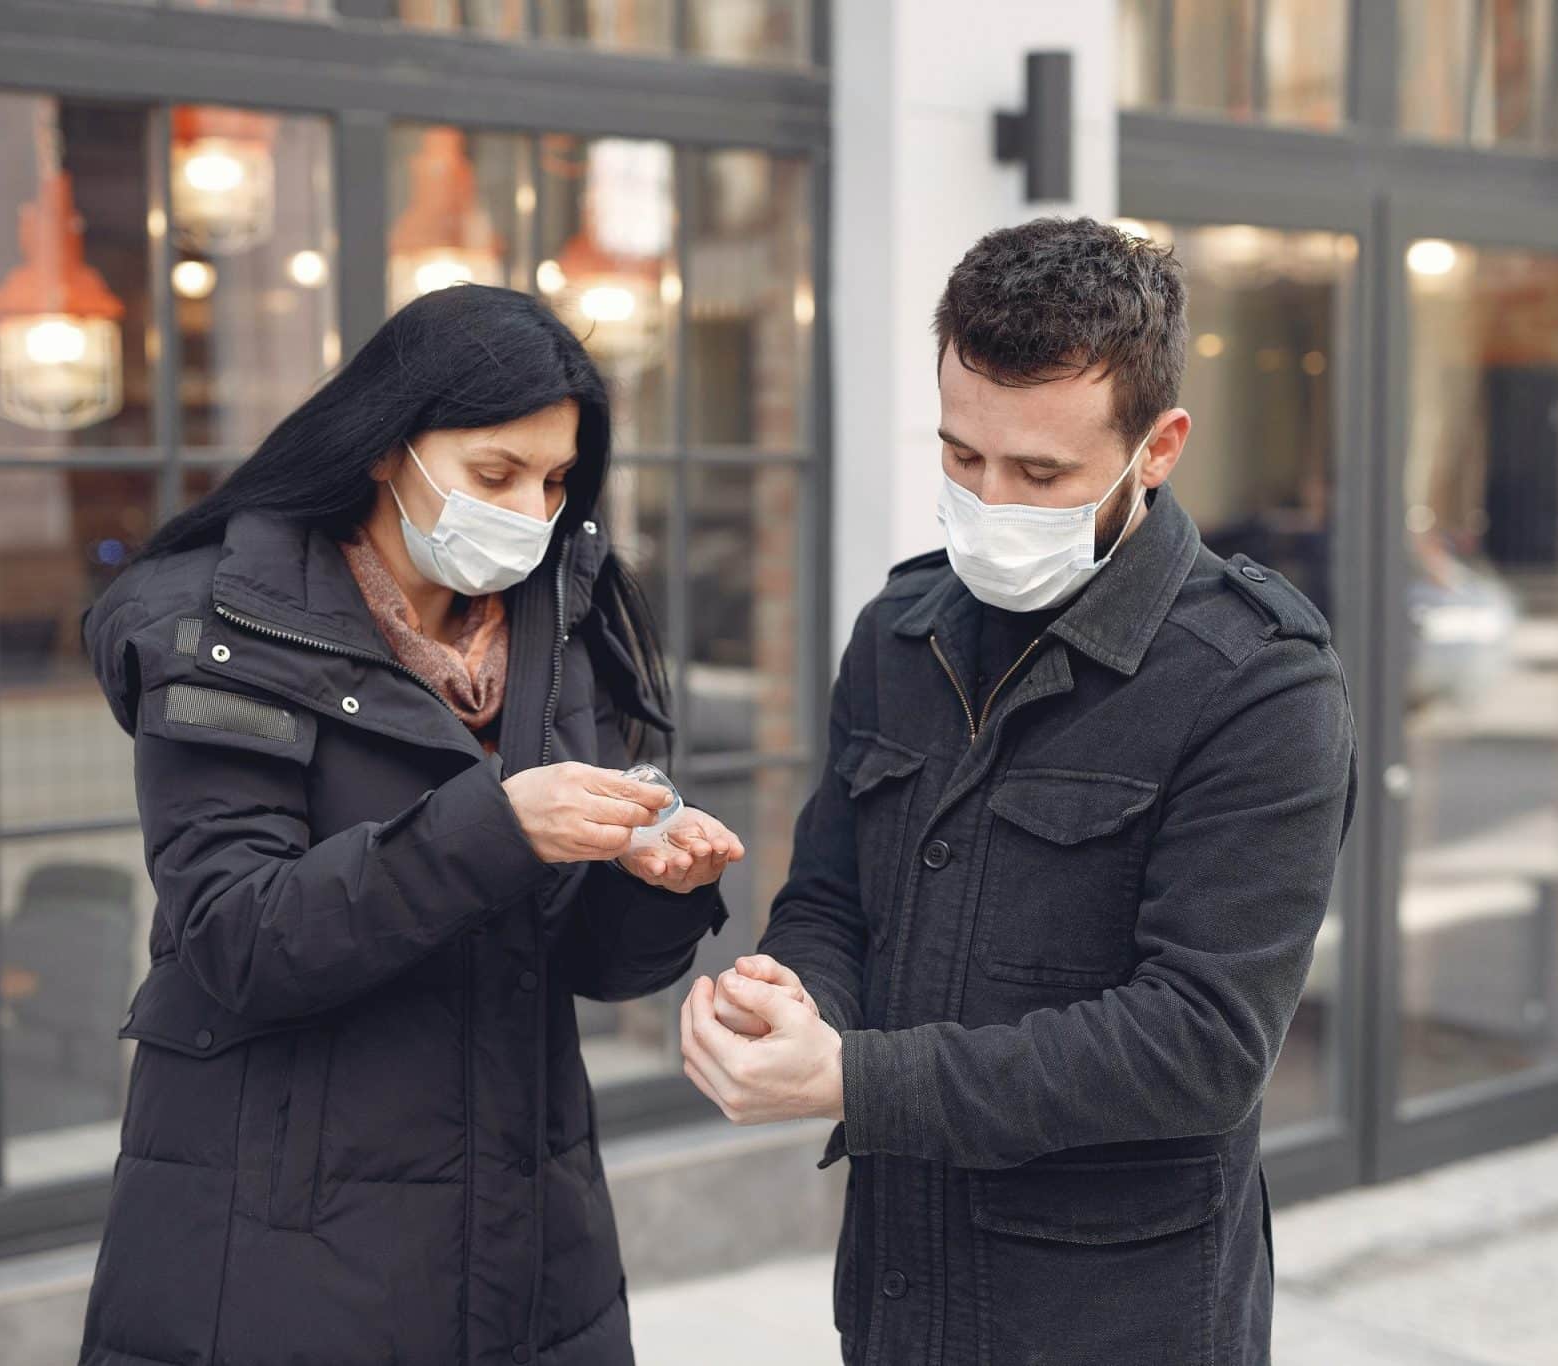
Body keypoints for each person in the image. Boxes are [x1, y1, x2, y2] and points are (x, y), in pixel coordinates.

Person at [678, 217, 1357, 1365]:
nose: (989, 500)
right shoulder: (896, 630)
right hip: (900, 1298)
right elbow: (834, 898)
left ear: (1159, 444)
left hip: (1118, 1318)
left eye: (1039, 471)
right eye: (959, 455)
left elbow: (1199, 1043)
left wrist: (851, 1075)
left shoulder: (1258, 684)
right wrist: (790, 1001)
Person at [76, 283, 743, 1366]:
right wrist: (498, 827)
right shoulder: (222, 630)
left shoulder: (560, 624)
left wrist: (645, 883)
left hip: (530, 1241)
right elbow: (239, 936)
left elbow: (576, 955)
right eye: (495, 474)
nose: (530, 512)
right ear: (389, 447)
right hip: (281, 1247)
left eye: (556, 480)